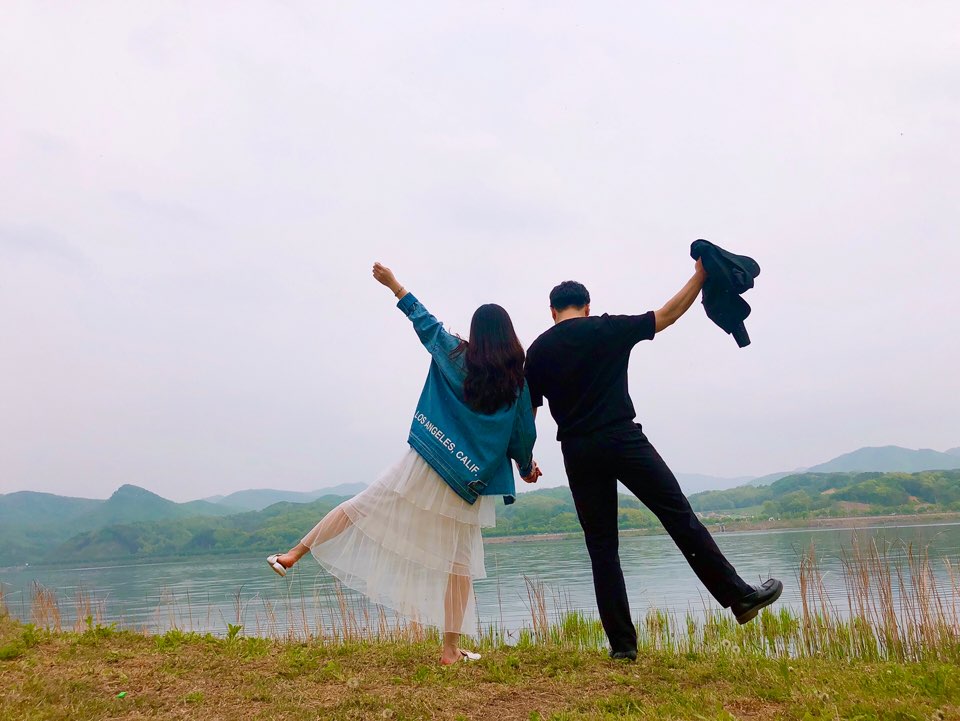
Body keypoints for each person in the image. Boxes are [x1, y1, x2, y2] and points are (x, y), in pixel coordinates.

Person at [267, 263, 541, 665]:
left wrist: (394, 285)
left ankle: (292, 554)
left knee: (363, 505)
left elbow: (425, 323)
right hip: (469, 480)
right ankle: (449, 651)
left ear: (477, 333)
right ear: (509, 336)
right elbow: (522, 435)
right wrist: (526, 467)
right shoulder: (516, 383)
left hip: (429, 459)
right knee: (460, 565)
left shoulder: (456, 355)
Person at [523, 259, 782, 660]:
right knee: (678, 516)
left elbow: (529, 413)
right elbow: (668, 315)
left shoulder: (538, 351)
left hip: (577, 449)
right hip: (622, 438)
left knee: (602, 548)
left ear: (552, 311)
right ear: (587, 307)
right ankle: (739, 596)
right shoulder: (607, 328)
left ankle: (623, 648)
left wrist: (525, 461)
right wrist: (700, 276)